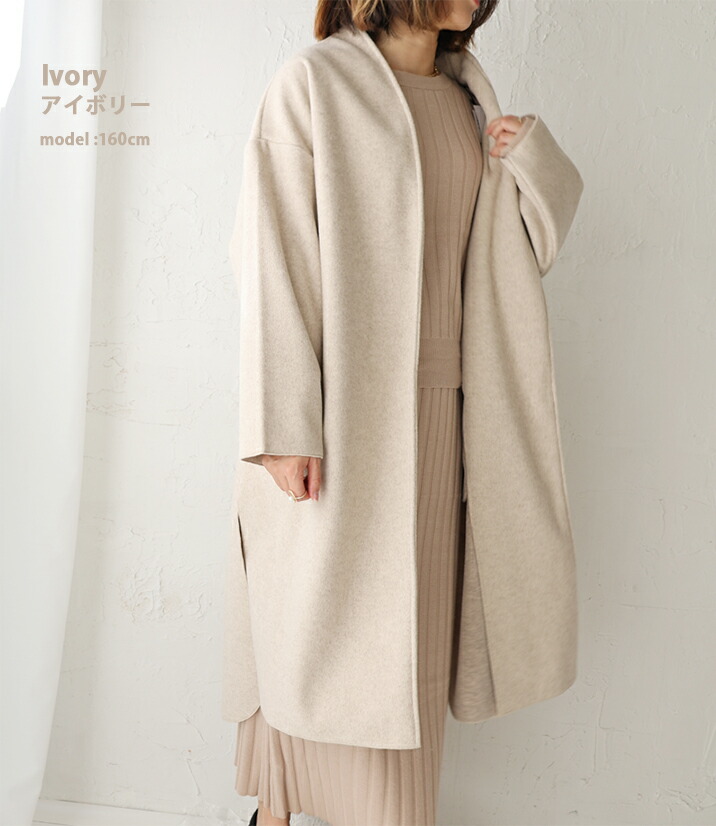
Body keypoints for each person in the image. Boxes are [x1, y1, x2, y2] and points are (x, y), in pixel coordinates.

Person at [223, 1, 584, 824]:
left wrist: (530, 158)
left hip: (445, 418)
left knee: (402, 655)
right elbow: (273, 254)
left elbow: (529, 249)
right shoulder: (313, 85)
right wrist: (282, 427)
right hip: (338, 420)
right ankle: (279, 812)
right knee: (319, 638)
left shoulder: (467, 102)